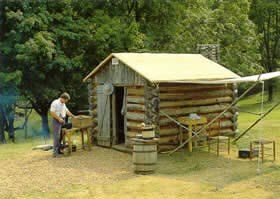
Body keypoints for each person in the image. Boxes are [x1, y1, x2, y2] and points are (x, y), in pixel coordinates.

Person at [50, 92, 75, 157]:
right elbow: (52, 112)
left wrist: (73, 116)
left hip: (62, 120)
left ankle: (59, 150)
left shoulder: (63, 104)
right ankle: (55, 154)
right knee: (57, 137)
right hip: (56, 121)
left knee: (61, 136)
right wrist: (58, 118)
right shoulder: (55, 102)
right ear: (63, 98)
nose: (66, 102)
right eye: (66, 100)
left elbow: (67, 111)